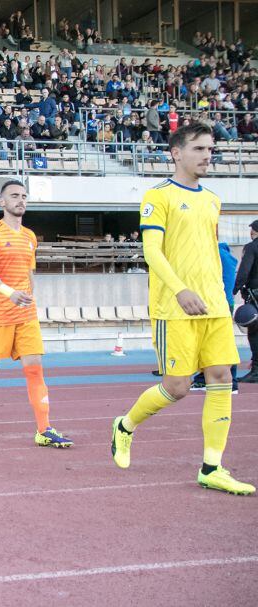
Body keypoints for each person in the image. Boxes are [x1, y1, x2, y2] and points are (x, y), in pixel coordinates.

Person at [110, 123, 252, 495]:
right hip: (175, 307)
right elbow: (152, 251)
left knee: (222, 377)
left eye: (211, 149)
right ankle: (125, 426)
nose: (208, 156)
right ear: (176, 153)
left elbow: (209, 251)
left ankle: (212, 467)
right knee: (177, 387)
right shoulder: (158, 196)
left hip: (214, 306)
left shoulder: (212, 199)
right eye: (200, 149)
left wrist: (222, 293)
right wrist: (180, 290)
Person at [0, 181, 72, 447]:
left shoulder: (30, 236)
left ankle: (44, 429)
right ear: (2, 202)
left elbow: (29, 272)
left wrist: (27, 294)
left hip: (25, 315)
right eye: (14, 196)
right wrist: (10, 292)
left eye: (24, 196)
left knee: (35, 370)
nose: (20, 200)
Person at [190, 243, 239, 393]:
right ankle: (204, 378)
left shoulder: (216, 254)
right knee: (213, 342)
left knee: (222, 343)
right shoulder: (224, 255)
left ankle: (231, 381)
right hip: (220, 301)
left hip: (217, 303)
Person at [235, 220, 258, 383]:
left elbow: (244, 271)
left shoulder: (251, 247)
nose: (251, 232)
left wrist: (234, 289)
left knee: (255, 332)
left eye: (253, 230)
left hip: (255, 295)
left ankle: (256, 371)